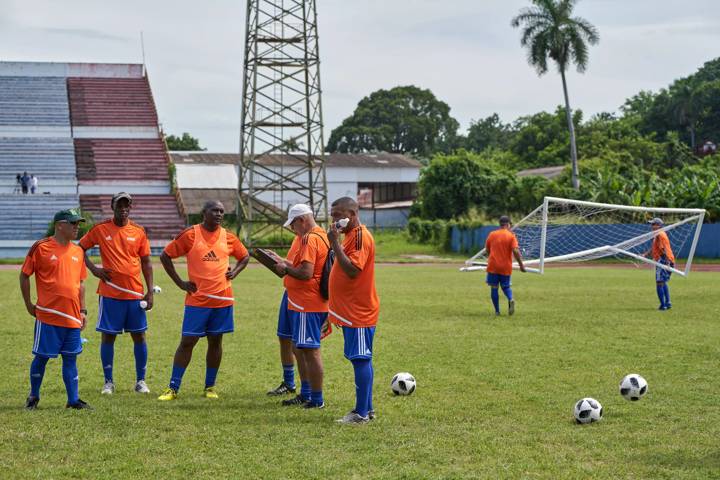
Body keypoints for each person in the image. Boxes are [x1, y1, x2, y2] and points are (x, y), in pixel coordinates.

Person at [157, 200, 249, 401]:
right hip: (197, 300)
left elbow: (245, 256)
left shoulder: (228, 237)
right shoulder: (191, 234)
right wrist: (180, 283)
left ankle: (209, 387)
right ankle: (173, 388)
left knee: (216, 341)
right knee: (188, 341)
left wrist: (235, 272)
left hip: (222, 300)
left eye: (222, 211)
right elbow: (165, 256)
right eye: (214, 210)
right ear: (204, 213)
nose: (219, 214)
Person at [79, 193, 153, 395]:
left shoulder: (138, 231)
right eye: (119, 205)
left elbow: (146, 262)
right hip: (110, 294)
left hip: (135, 294)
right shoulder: (101, 229)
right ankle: (108, 382)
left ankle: (141, 381)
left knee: (139, 336)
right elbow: (80, 249)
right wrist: (94, 270)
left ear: (131, 207)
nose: (123, 208)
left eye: (126, 205)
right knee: (108, 337)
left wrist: (149, 292)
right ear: (112, 206)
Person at [20, 209, 91, 410]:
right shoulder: (40, 247)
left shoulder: (78, 251)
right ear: (60, 225)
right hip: (48, 317)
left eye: (78, 223)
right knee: (41, 357)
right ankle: (33, 396)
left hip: (72, 317)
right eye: (73, 223)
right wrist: (28, 304)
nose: (77, 227)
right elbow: (24, 275)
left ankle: (73, 400)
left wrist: (83, 311)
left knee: (71, 357)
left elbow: (81, 283)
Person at [268, 204, 329, 409]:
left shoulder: (310, 238)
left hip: (307, 303)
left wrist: (285, 268)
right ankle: (306, 393)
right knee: (299, 346)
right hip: (304, 301)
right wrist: (282, 261)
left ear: (302, 220)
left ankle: (316, 398)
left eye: (293, 225)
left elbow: (305, 273)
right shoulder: (321, 235)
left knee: (309, 351)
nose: (293, 229)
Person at [327, 197, 380, 424]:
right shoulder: (351, 236)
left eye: (338, 215)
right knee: (361, 358)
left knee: (360, 359)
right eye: (333, 215)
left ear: (352, 213)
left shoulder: (358, 236)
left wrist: (334, 244)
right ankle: (367, 409)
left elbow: (352, 270)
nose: (334, 220)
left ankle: (361, 413)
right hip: (352, 310)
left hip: (358, 311)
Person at [484, 215, 526, 316]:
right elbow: (515, 250)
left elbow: (487, 250)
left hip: (493, 266)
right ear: (508, 224)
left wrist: (491, 257)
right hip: (505, 266)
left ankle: (497, 312)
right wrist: (521, 265)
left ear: (500, 224)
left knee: (494, 287)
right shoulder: (511, 236)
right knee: (506, 287)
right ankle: (511, 299)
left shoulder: (492, 234)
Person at [644, 218, 675, 310]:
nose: (652, 226)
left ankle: (663, 305)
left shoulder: (660, 235)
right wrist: (645, 254)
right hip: (666, 259)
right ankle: (668, 303)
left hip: (663, 260)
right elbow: (655, 248)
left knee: (659, 283)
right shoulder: (658, 235)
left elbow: (663, 249)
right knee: (663, 281)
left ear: (659, 225)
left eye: (653, 224)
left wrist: (667, 262)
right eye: (651, 224)